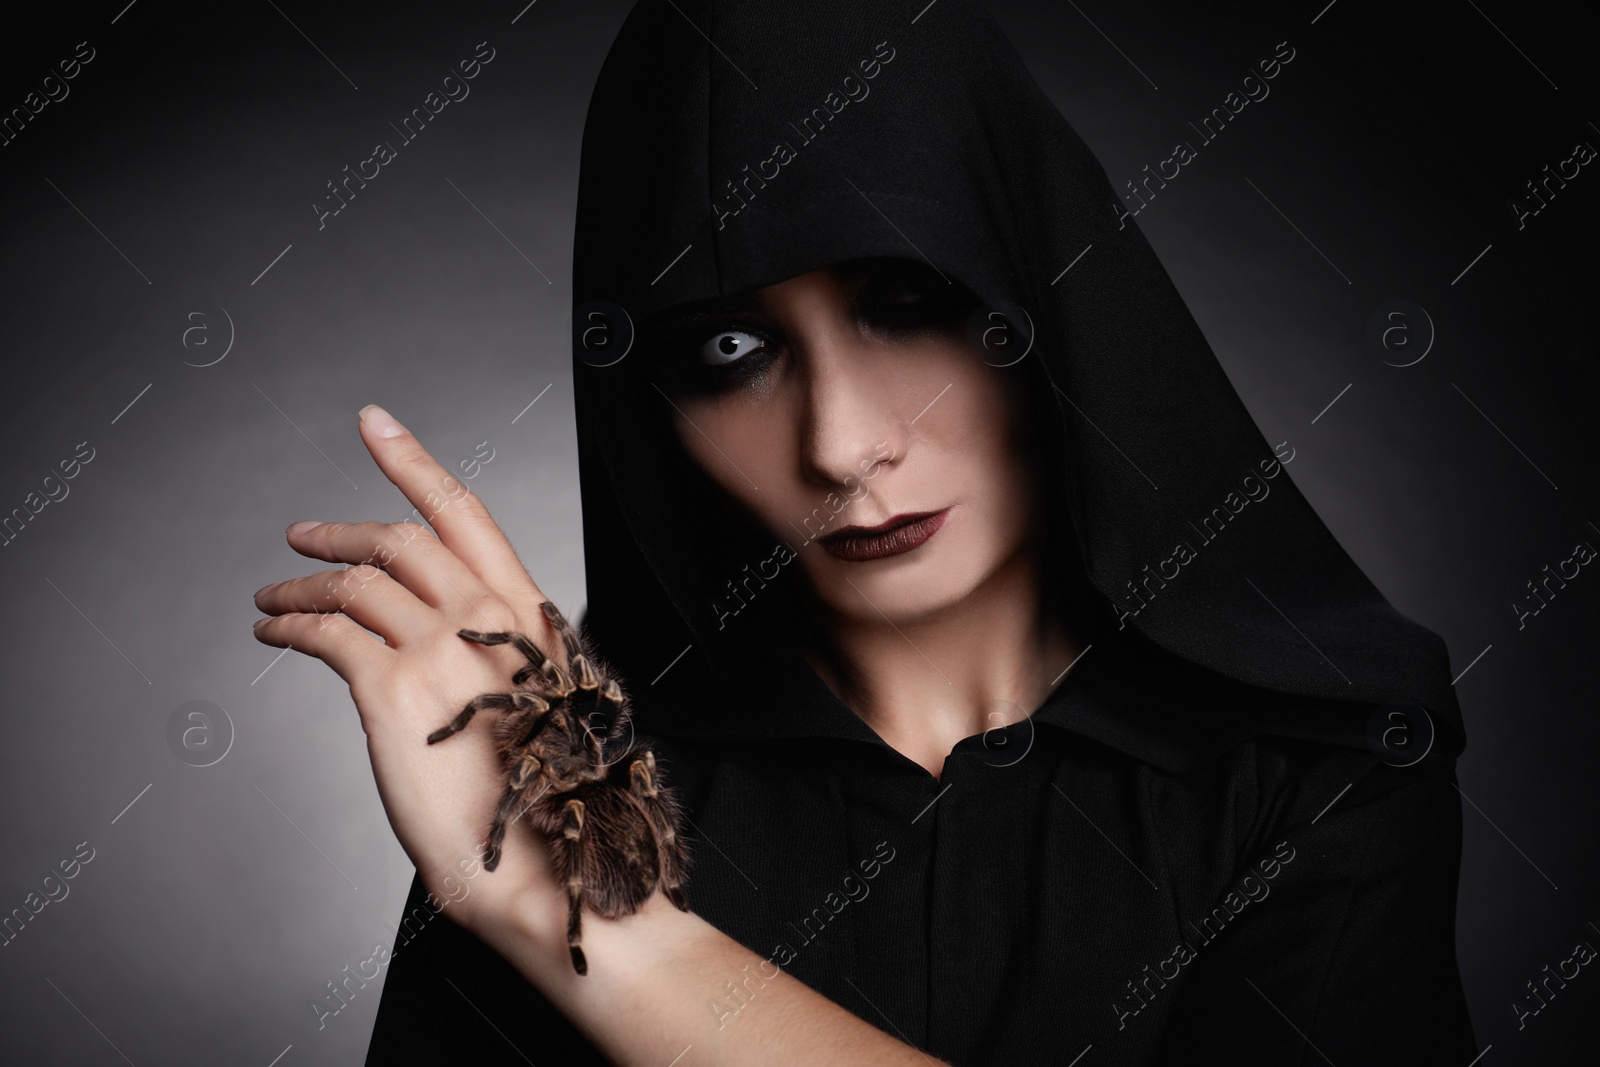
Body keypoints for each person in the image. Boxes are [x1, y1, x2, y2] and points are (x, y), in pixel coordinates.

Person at [252, 1, 1476, 1063]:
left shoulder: (1318, 769)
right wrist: (528, 864)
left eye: (909, 303)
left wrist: (587, 925)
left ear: (1037, 296)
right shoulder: (565, 790)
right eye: (729, 351)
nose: (839, 445)